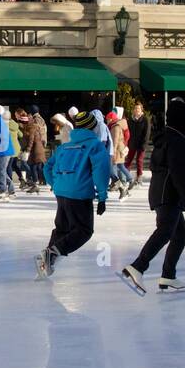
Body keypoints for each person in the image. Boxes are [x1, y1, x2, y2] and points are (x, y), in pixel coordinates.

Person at [119, 101, 185, 295]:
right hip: (168, 193)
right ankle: (138, 266)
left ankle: (168, 276)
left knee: (179, 234)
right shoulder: (177, 140)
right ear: (181, 119)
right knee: (165, 231)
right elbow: (179, 171)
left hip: (163, 191)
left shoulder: (170, 136)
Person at [36, 110, 109, 278]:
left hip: (62, 192)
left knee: (62, 229)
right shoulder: (95, 145)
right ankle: (51, 255)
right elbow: (101, 170)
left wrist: (56, 184)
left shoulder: (64, 146)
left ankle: (45, 261)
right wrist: (102, 196)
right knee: (83, 230)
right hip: (80, 194)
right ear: (93, 128)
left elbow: (47, 167)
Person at [18, 106, 48, 193]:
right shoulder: (38, 120)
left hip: (37, 147)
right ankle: (39, 182)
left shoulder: (34, 124)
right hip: (38, 146)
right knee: (37, 167)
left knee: (34, 167)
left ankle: (36, 184)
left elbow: (32, 138)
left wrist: (27, 150)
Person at [107, 109, 133, 198]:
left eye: (108, 119)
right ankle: (123, 184)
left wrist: (113, 152)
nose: (107, 121)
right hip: (119, 149)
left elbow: (115, 140)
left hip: (116, 151)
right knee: (119, 167)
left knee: (115, 168)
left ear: (111, 119)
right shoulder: (116, 125)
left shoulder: (115, 127)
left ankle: (123, 184)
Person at [126, 101, 150, 185]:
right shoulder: (130, 119)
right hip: (132, 143)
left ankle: (139, 177)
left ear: (141, 109)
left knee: (139, 160)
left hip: (141, 144)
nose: (137, 110)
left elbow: (147, 133)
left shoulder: (145, 119)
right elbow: (127, 131)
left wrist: (144, 144)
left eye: (138, 108)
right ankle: (127, 177)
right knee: (128, 160)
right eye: (135, 108)